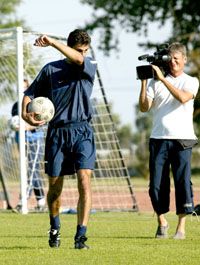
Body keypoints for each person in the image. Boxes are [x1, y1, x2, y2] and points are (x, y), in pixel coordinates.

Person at [21, 29, 97, 249]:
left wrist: (52, 42)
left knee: (85, 180)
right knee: (55, 190)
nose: (81, 54)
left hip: (82, 131)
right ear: (70, 48)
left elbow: (78, 59)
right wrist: (27, 112)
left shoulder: (88, 65)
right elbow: (30, 94)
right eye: (78, 50)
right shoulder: (51, 70)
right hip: (57, 134)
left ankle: (80, 236)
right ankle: (55, 229)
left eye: (84, 50)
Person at [139, 42, 199, 239]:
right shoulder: (155, 83)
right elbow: (144, 107)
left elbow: (182, 98)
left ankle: (181, 227)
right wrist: (144, 82)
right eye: (169, 59)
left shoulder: (191, 81)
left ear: (184, 60)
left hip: (182, 139)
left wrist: (163, 79)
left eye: (176, 59)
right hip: (158, 138)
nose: (172, 62)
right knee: (156, 185)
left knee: (182, 182)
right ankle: (161, 221)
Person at [11, 79, 46, 212]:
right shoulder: (15, 105)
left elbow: (41, 122)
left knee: (31, 170)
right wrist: (16, 127)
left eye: (24, 88)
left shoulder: (35, 104)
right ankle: (41, 202)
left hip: (34, 140)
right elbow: (14, 123)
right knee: (31, 171)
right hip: (20, 141)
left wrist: (27, 126)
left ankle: (23, 201)